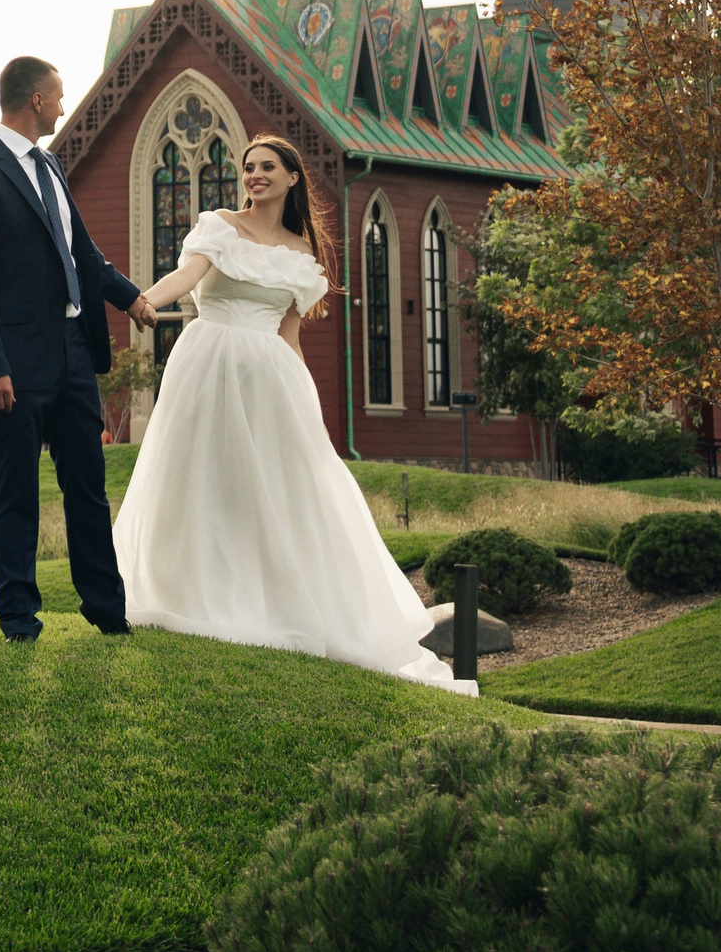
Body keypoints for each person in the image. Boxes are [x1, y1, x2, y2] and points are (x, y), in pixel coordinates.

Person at [112, 134, 476, 694]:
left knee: (272, 492)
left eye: (267, 167)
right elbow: (184, 279)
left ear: (291, 178)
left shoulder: (301, 255)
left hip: (270, 381)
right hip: (206, 364)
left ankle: (272, 602)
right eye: (248, 167)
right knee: (198, 480)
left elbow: (290, 336)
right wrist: (143, 301)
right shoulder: (218, 226)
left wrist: (307, 405)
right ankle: (191, 595)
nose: (255, 175)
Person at [0, 57, 155, 641]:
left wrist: (130, 298)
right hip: (14, 364)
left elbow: (81, 251)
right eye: (57, 96)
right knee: (16, 493)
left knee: (88, 485)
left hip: (73, 353)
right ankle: (18, 619)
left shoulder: (50, 165)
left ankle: (107, 610)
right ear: (36, 100)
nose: (62, 105)